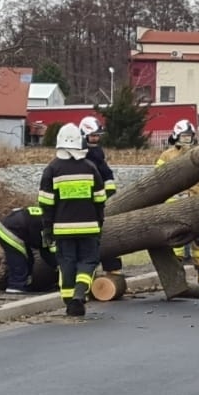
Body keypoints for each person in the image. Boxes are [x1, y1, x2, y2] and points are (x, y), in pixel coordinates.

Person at [36, 122, 110, 317]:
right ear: (80, 142)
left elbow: (45, 202)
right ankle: (79, 293)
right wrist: (99, 222)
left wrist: (47, 228)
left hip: (62, 229)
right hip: (89, 227)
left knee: (67, 263)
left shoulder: (52, 169)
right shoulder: (90, 167)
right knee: (88, 261)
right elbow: (100, 199)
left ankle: (69, 301)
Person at [158, 119, 199, 287]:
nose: (187, 140)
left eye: (189, 136)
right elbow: (157, 180)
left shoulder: (197, 153)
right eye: (184, 136)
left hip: (195, 204)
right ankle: (177, 278)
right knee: (176, 243)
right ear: (176, 136)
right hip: (174, 206)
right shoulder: (167, 156)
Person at [79, 115, 125, 278]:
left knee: (107, 234)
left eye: (97, 136)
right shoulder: (80, 156)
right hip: (86, 205)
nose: (96, 139)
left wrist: (110, 195)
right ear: (83, 135)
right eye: (93, 136)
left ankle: (112, 268)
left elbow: (106, 174)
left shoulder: (97, 153)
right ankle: (90, 271)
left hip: (101, 203)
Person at [0, 203, 51, 293]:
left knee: (29, 259)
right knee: (19, 260)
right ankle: (16, 288)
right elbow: (46, 251)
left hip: (12, 227)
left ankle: (26, 285)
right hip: (9, 230)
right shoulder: (50, 224)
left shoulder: (49, 215)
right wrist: (57, 265)